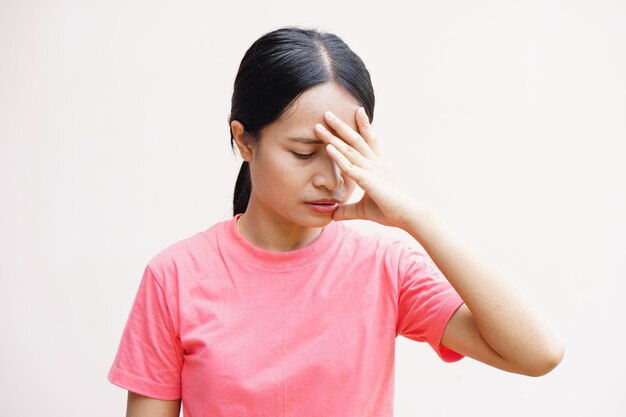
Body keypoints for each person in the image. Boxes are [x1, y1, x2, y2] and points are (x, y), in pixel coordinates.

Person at [108, 26, 565, 417]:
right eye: (304, 153)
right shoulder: (175, 277)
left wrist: (415, 216)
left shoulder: (385, 266)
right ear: (245, 140)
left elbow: (538, 353)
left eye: (345, 154)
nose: (331, 179)